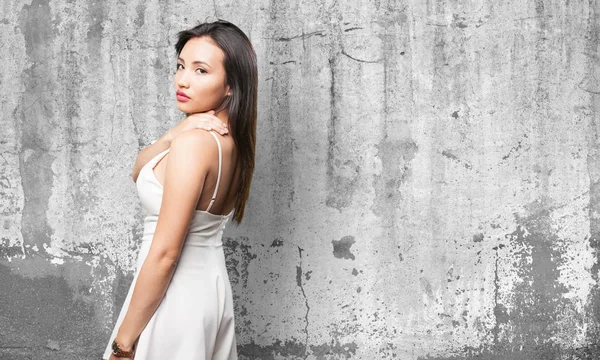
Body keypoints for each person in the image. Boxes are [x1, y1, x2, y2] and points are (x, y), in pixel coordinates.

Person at [102, 19, 257, 360]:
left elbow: (166, 254)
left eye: (201, 71)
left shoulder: (195, 144)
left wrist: (123, 343)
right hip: (208, 292)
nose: (182, 79)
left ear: (230, 85)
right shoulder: (228, 141)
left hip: (173, 300)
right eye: (180, 66)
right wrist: (176, 131)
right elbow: (139, 170)